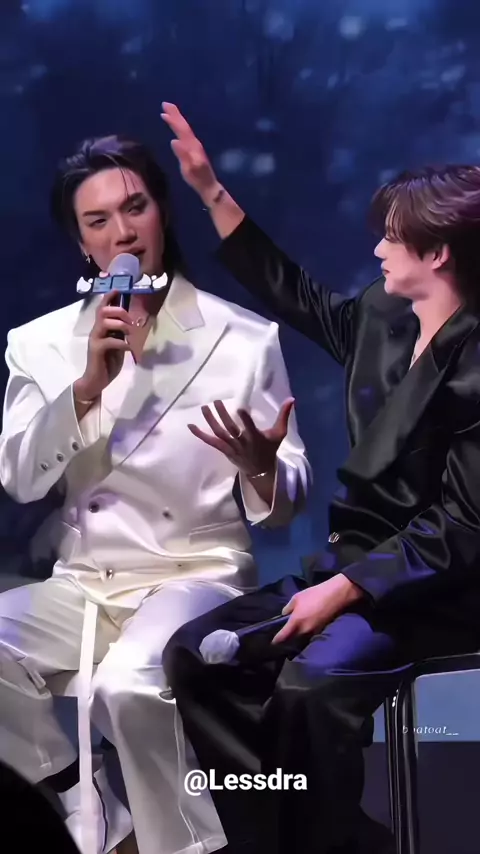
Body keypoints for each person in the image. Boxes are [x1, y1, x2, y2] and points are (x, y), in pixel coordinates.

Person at [160, 103, 480, 854]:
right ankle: (300, 839)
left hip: (434, 590)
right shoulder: (381, 317)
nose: (377, 248)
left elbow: (464, 527)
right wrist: (210, 191)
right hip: (349, 564)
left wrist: (343, 593)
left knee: (309, 687)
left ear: (438, 253)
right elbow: (292, 292)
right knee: (195, 658)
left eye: (392, 236)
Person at [0, 134, 311, 854]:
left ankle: (185, 846)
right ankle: (92, 809)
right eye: (98, 220)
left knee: (130, 685)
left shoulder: (240, 339)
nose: (122, 232)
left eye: (134, 207)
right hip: (87, 580)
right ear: (81, 242)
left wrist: (261, 466)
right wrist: (83, 391)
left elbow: (288, 496)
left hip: (194, 573)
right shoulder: (40, 344)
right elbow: (18, 477)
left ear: (162, 213)